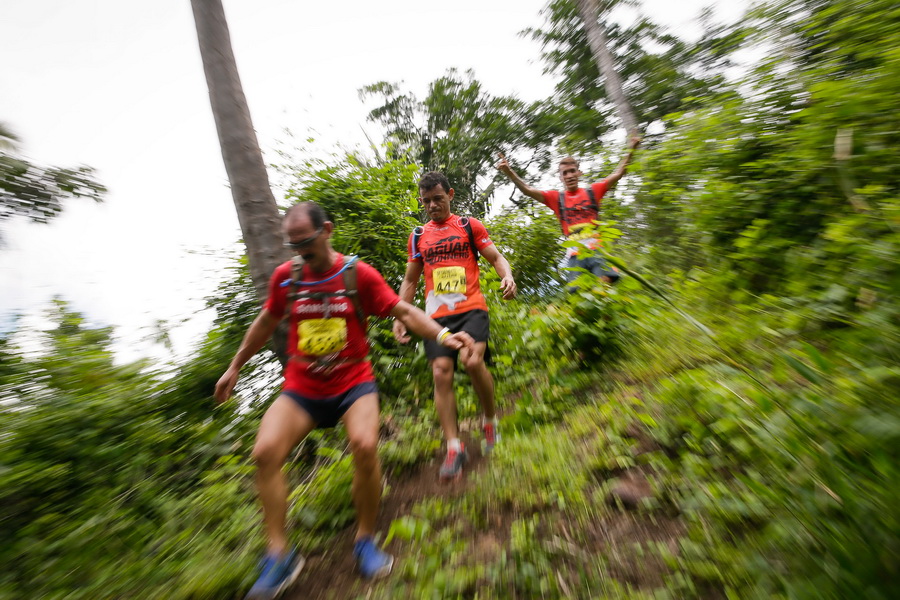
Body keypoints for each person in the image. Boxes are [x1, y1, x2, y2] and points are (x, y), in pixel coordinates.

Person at [215, 201, 475, 600]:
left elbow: (402, 309)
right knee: (265, 452)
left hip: (354, 381)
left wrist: (442, 336)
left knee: (365, 445)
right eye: (293, 245)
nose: (300, 252)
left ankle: (365, 540)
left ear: (327, 231)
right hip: (303, 387)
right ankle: (279, 554)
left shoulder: (357, 274)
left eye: (306, 243)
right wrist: (234, 367)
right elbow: (266, 321)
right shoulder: (287, 278)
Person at [392, 171, 517, 481]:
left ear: (450, 194)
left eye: (438, 198)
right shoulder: (419, 235)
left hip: (471, 307)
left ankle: (489, 421)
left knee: (473, 361)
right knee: (440, 373)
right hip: (435, 316)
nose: (433, 205)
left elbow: (496, 256)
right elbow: (410, 279)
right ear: (421, 202)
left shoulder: (468, 226)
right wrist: (401, 315)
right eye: (426, 201)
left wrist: (507, 275)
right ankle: (453, 445)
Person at [496, 136, 640, 288]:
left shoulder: (593, 191)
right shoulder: (557, 198)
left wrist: (632, 149)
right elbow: (528, 190)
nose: (569, 176)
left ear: (579, 173)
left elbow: (618, 173)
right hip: (574, 255)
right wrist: (509, 171)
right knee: (577, 295)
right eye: (565, 173)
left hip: (596, 250)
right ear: (561, 177)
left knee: (604, 285)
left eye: (572, 171)